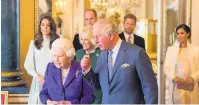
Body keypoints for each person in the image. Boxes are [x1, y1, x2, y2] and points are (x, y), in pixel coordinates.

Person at [81, 19, 158, 104]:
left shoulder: (137, 53)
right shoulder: (102, 55)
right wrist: (87, 69)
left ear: (110, 35)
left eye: (98, 36)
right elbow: (97, 85)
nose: (95, 41)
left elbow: (150, 88)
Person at [40, 38, 95, 104]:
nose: (56, 59)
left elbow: (90, 97)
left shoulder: (81, 68)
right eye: (54, 55)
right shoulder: (50, 68)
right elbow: (43, 93)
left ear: (69, 56)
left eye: (60, 56)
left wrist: (71, 103)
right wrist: (48, 102)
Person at [24, 16, 59, 104]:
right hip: (38, 81)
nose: (45, 27)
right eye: (43, 25)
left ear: (52, 27)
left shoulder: (57, 43)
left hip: (53, 81)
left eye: (48, 25)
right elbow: (28, 64)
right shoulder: (34, 43)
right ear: (40, 26)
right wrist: (37, 76)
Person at [164, 24, 199, 104]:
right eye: (178, 33)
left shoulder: (196, 50)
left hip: (190, 86)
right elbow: (166, 68)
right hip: (176, 86)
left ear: (188, 34)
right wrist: (174, 77)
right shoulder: (171, 50)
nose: (179, 36)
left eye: (182, 33)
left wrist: (193, 78)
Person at [76, 25, 102, 104]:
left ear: (92, 39)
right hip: (82, 96)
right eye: (81, 39)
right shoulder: (79, 53)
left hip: (97, 95)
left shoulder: (101, 53)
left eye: (86, 39)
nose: (82, 42)